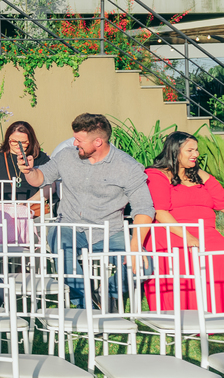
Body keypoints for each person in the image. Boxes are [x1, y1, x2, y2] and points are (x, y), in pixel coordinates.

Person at [19, 113, 154, 308]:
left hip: (109, 230)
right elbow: (41, 178)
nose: (74, 143)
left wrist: (135, 244)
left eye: (79, 139)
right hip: (69, 225)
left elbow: (144, 208)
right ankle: (90, 310)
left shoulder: (128, 167)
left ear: (98, 141)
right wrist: (29, 171)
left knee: (145, 264)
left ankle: (106, 292)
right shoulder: (66, 156)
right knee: (63, 250)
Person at [144, 132, 224, 310]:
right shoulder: (158, 175)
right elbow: (161, 213)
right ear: (175, 151)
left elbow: (221, 201)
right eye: (190, 150)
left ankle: (216, 313)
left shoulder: (199, 176)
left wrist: (200, 173)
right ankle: (191, 312)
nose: (195, 154)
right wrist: (188, 237)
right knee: (193, 254)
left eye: (196, 150)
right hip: (173, 231)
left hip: (207, 231)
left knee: (220, 252)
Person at [0, 121, 50, 201]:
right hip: (3, 208)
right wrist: (3, 207)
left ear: (30, 141)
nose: (18, 145)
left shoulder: (39, 157)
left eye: (24, 142)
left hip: (34, 207)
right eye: (14, 141)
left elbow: (50, 187)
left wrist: (28, 204)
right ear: (8, 139)